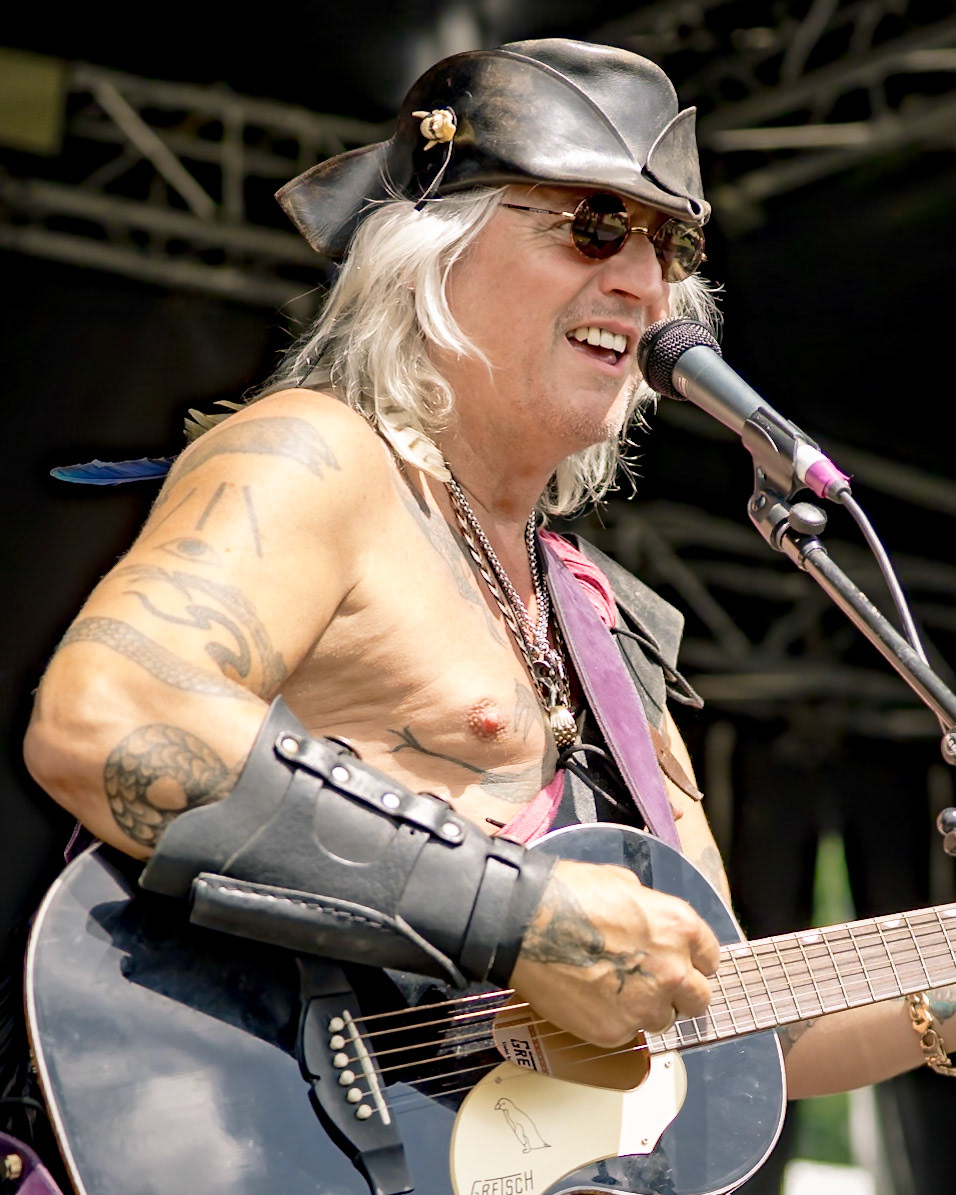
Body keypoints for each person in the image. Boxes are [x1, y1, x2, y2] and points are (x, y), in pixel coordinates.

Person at [22, 36, 956, 1112]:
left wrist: (935, 1007)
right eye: (592, 223)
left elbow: (720, 1014)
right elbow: (107, 717)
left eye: (670, 244)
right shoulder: (320, 458)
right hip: (232, 1127)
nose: (641, 279)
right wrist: (527, 916)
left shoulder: (597, 616)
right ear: (431, 249)